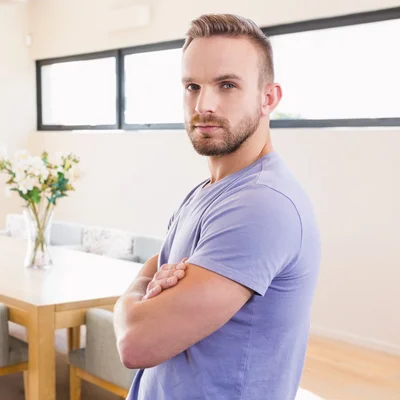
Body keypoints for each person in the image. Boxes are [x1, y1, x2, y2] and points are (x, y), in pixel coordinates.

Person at [113, 13, 321, 400]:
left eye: (227, 85)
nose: (204, 104)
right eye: (192, 86)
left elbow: (136, 343)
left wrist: (128, 300)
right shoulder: (208, 191)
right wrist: (146, 288)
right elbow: (159, 265)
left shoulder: (261, 206)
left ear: (268, 97)